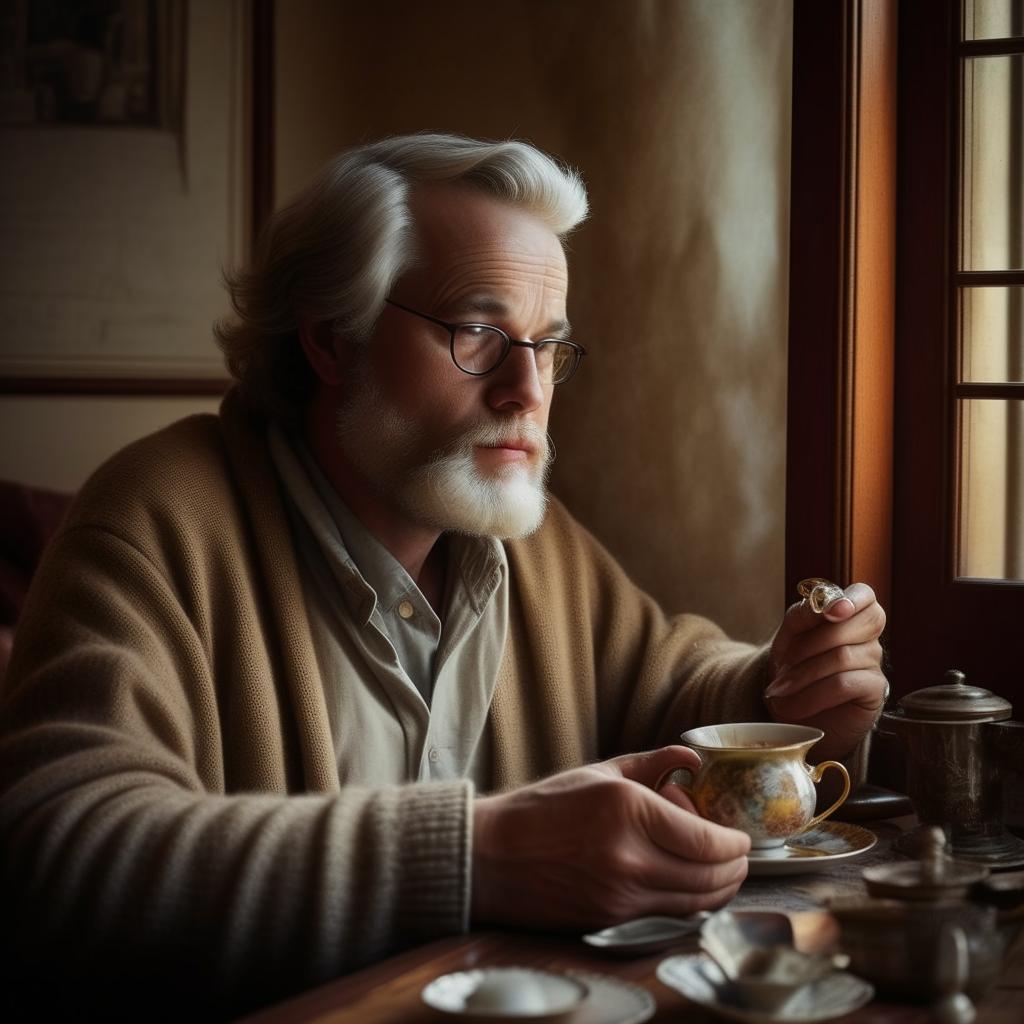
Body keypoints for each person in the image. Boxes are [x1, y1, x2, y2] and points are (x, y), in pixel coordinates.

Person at [0, 133, 887, 1019]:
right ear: (332, 340)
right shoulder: (161, 513)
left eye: (547, 346)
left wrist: (786, 694)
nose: (527, 391)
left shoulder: (525, 540)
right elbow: (56, 854)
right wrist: (476, 857)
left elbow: (668, 679)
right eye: (478, 334)